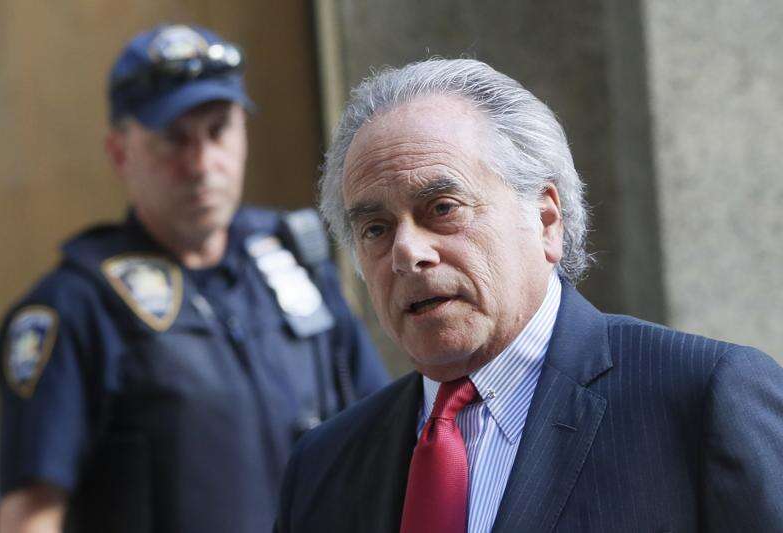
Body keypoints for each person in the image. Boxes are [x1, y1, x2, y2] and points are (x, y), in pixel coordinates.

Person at [275, 58, 783, 533]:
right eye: (376, 229)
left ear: (545, 219)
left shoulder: (702, 398)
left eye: (442, 208)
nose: (407, 252)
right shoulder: (324, 466)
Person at [0, 24, 388, 533]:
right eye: (173, 140)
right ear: (120, 153)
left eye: (218, 130)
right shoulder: (75, 306)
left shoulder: (293, 260)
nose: (202, 164)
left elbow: (384, 440)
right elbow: (30, 516)